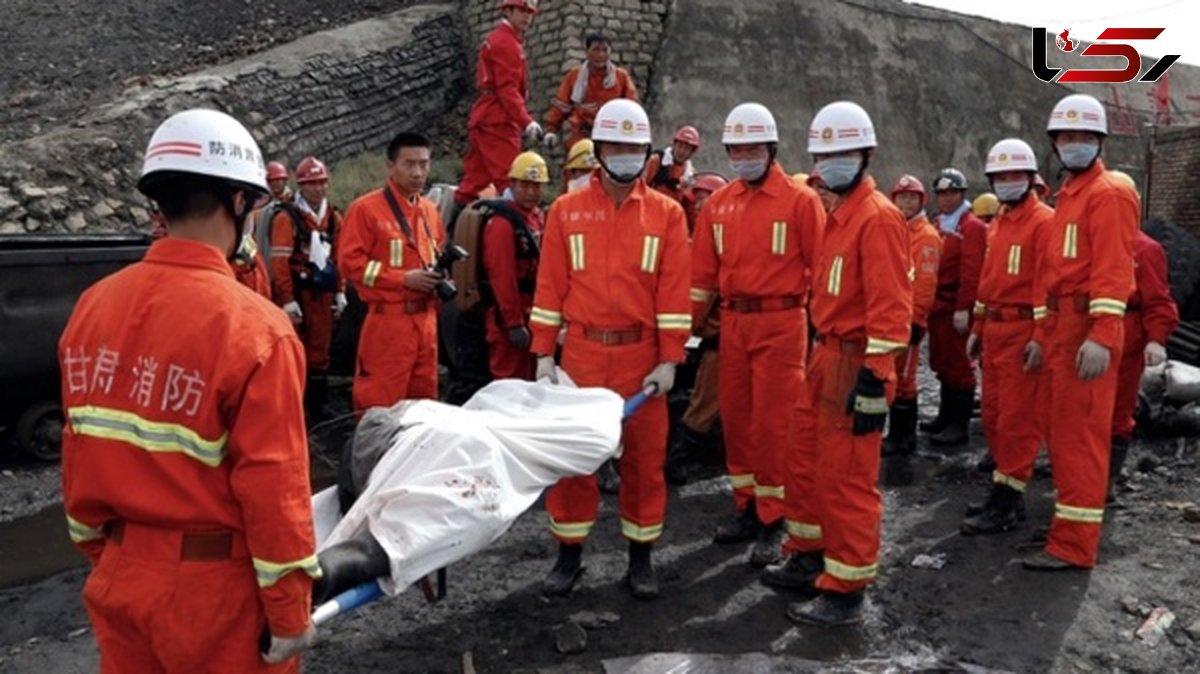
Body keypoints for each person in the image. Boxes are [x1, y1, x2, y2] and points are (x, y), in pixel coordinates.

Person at [59, 109, 319, 671]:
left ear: (161, 201)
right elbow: (275, 489)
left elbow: (78, 451)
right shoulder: (258, 331)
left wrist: (113, 557)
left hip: (121, 576)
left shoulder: (92, 307)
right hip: (215, 594)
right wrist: (290, 613)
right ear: (240, 203)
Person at [532, 99, 690, 600]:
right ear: (598, 150)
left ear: (648, 153)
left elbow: (673, 293)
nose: (623, 155)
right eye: (615, 146)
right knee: (574, 461)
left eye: (633, 147)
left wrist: (669, 360)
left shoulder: (667, 215)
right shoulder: (565, 211)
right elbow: (550, 287)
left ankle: (640, 560)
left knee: (644, 463)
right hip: (579, 356)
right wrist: (542, 356)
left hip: (641, 358)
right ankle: (569, 558)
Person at [785, 100, 910, 626]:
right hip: (826, 353)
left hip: (856, 359)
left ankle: (847, 586)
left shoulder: (877, 217)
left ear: (866, 154)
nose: (832, 163)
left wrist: (876, 376)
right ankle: (810, 555)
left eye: (844, 153)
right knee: (810, 460)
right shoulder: (839, 212)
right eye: (825, 154)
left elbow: (891, 305)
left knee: (848, 477)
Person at [691, 102, 825, 567]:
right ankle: (746, 506)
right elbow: (701, 276)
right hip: (734, 323)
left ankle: (775, 517)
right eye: (736, 148)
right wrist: (685, 329)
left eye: (752, 147)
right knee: (738, 417)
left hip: (782, 321)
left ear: (771, 148)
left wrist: (825, 331)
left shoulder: (800, 201)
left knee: (776, 423)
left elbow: (822, 269)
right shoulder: (719, 204)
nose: (744, 155)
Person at [1021, 93, 1138, 570]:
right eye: (1066, 137)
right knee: (1060, 432)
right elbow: (1053, 276)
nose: (1074, 144)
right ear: (1054, 143)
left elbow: (1113, 270)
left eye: (1084, 137)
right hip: (1063, 326)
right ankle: (1065, 531)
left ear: (1100, 141)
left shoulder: (1108, 193)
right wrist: (1042, 334)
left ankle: (1074, 546)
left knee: (1081, 439)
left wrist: (1103, 335)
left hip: (1087, 327)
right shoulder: (1070, 195)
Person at [959, 138, 1055, 535]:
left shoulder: (1043, 222)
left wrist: (1039, 336)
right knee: (995, 416)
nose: (1007, 182)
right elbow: (987, 282)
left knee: (1018, 419)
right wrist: (979, 328)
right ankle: (1003, 487)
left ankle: (1008, 501)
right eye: (1000, 176)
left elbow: (1046, 286)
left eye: (1015, 175)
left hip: (1021, 332)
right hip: (996, 331)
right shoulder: (998, 222)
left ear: (1031, 178)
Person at [338, 132, 445, 415]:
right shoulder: (366, 210)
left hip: (426, 321)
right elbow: (350, 264)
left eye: (424, 164)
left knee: (424, 407)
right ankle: (376, 458)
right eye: (409, 164)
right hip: (388, 322)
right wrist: (402, 279)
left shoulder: (429, 211)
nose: (418, 172)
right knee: (380, 406)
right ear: (390, 166)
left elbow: (435, 255)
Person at [1106, 169, 1178, 499]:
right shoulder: (1092, 244)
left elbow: (1158, 300)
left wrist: (1155, 339)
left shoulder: (1145, 250)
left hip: (1126, 337)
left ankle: (1106, 479)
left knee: (1118, 410)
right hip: (1086, 332)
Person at [665, 172, 729, 485]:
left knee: (710, 404)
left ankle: (682, 460)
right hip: (712, 338)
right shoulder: (696, 239)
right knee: (705, 404)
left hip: (722, 336)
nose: (701, 205)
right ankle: (678, 461)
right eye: (698, 200)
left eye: (707, 199)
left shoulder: (722, 239)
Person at [269, 156, 346, 418]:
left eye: (322, 182)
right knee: (294, 350)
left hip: (322, 294)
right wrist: (287, 299)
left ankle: (317, 406)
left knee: (320, 352)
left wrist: (341, 291)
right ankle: (294, 405)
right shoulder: (287, 218)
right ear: (301, 186)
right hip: (299, 293)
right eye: (311, 183)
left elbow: (339, 258)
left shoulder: (334, 218)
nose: (318, 188)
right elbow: (280, 263)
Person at [455, 0, 543, 211]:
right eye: (522, 10)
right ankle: (516, 234)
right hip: (498, 120)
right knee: (511, 179)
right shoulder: (507, 44)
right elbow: (507, 89)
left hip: (485, 118)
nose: (527, 16)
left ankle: (446, 233)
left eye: (530, 12)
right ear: (508, 10)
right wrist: (526, 121)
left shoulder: (501, 40)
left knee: (472, 183)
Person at [922, 167, 987, 446]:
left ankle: (958, 425)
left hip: (954, 304)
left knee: (959, 363)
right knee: (941, 361)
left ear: (962, 194)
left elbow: (971, 271)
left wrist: (964, 307)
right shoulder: (940, 224)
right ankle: (945, 416)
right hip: (938, 305)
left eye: (952, 193)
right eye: (943, 194)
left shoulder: (971, 227)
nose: (947, 199)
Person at [882, 175, 942, 457]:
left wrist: (917, 320)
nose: (906, 202)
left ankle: (903, 437)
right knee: (893, 374)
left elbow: (924, 284)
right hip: (893, 316)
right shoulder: (898, 229)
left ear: (921, 201)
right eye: (902, 197)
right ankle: (898, 435)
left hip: (908, 319)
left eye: (911, 197)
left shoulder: (925, 236)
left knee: (905, 379)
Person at [483, 151, 547, 380]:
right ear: (513, 184)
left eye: (537, 186)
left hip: (534, 316)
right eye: (525, 185)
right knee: (508, 383)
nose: (531, 192)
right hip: (509, 320)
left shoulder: (538, 217)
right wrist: (513, 323)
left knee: (531, 381)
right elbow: (502, 277)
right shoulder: (502, 223)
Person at [542, 32, 639, 153]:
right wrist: (551, 130)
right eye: (596, 50)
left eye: (605, 50)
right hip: (582, 136)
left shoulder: (621, 77)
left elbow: (632, 107)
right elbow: (561, 106)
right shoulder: (574, 76)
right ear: (586, 52)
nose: (600, 54)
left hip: (612, 137)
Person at [644, 125, 701, 204]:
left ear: (692, 152)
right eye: (680, 146)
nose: (682, 151)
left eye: (687, 149)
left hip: (673, 214)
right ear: (674, 144)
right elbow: (640, 186)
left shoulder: (691, 174)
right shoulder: (656, 161)